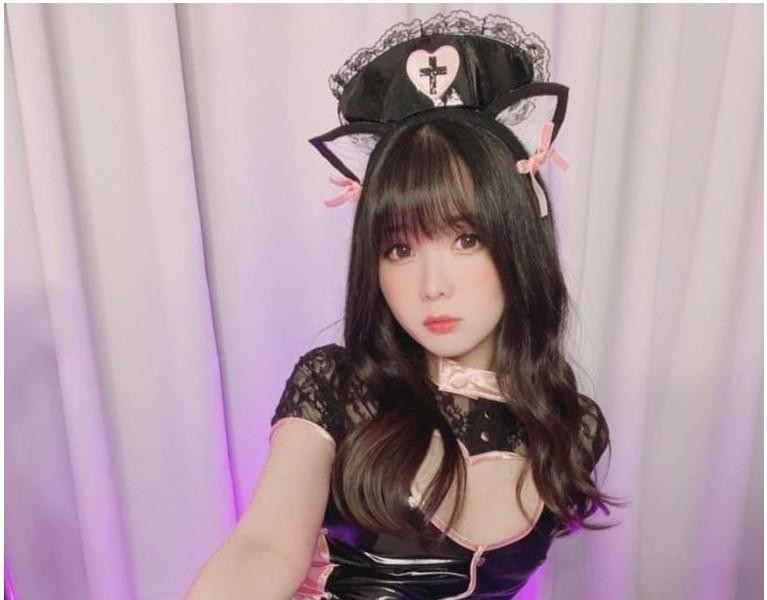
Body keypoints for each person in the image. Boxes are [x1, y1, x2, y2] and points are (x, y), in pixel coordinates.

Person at [186, 9, 623, 599]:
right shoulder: (338, 386)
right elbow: (264, 544)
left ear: (519, 236)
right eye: (399, 249)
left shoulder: (573, 425)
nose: (431, 285)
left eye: (466, 240)